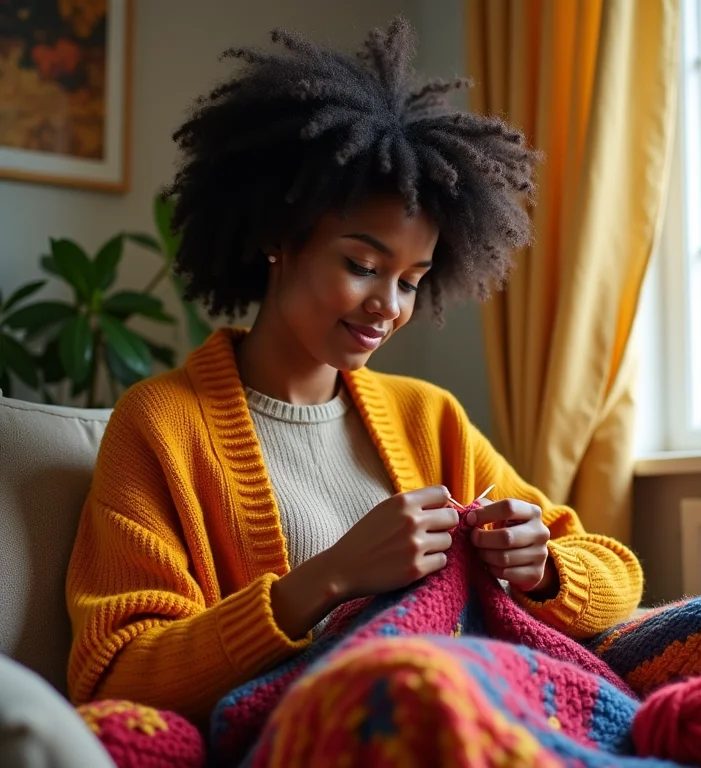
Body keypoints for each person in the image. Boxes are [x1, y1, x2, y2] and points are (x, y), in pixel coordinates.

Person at [66, 17, 643, 725]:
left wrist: (546, 568)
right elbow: (116, 674)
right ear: (278, 239)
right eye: (363, 266)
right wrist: (329, 577)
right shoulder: (160, 425)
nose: (389, 306)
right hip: (347, 726)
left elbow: (616, 573)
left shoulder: (427, 417)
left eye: (411, 280)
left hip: (483, 705)